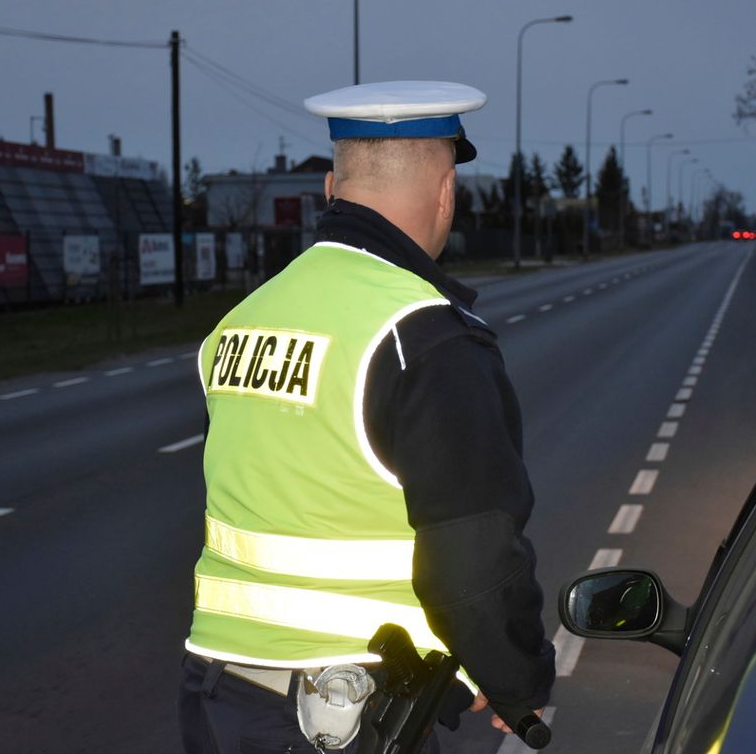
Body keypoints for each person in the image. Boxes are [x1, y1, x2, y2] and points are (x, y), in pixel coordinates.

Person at [178, 80, 555, 753]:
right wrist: (518, 683)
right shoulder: (424, 336)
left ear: (330, 187)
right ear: (446, 193)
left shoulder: (243, 320)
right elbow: (472, 560)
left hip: (218, 699)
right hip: (348, 714)